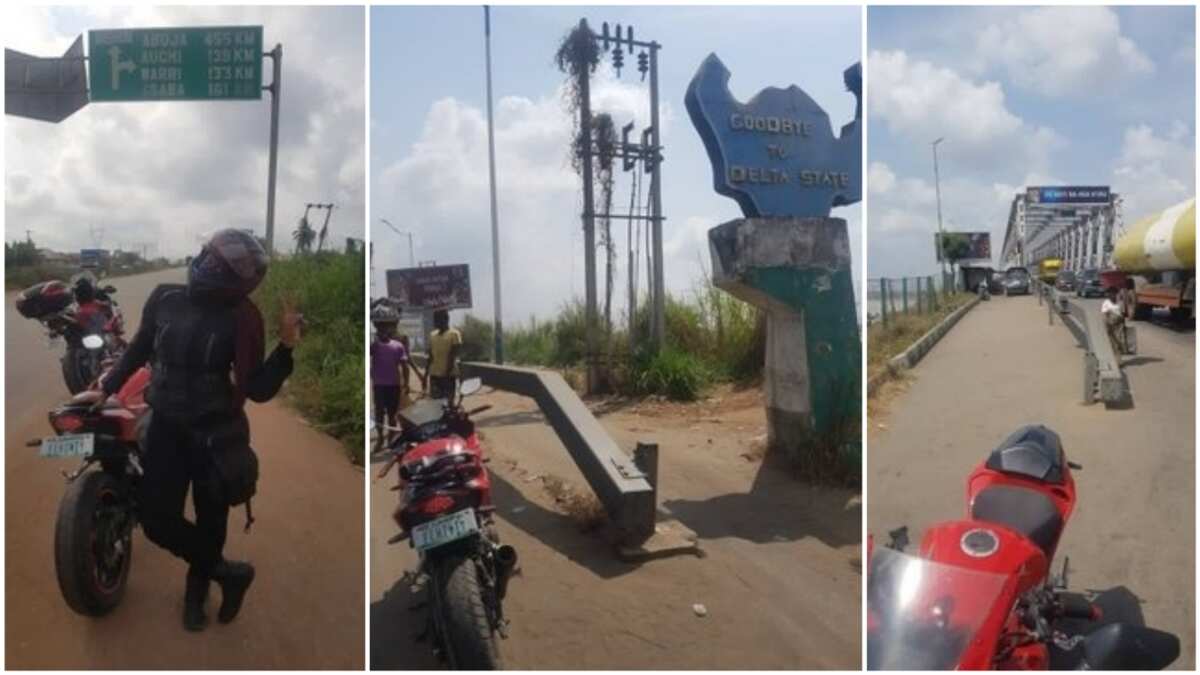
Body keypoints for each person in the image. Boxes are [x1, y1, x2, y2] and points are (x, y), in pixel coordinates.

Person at [96, 229, 303, 632]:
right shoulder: (164, 297)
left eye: (218, 268)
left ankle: (197, 590)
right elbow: (138, 348)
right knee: (157, 521)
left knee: (212, 519)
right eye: (207, 259)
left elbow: (257, 388)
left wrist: (287, 347)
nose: (206, 269)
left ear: (238, 282)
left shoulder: (243, 317)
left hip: (217, 433)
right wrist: (103, 388)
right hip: (165, 428)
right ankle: (230, 574)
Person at [370, 304, 417, 451]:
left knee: (392, 414)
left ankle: (390, 438)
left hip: (394, 385)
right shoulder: (373, 345)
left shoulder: (398, 345)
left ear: (389, 327)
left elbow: (405, 365)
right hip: (379, 385)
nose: (382, 330)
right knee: (378, 413)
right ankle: (380, 438)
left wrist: (407, 384)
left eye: (385, 327)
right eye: (379, 327)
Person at [426, 307, 462, 400]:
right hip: (434, 375)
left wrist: (446, 374)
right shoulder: (432, 335)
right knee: (435, 405)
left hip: (448, 376)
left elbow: (452, 356)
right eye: (434, 319)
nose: (435, 321)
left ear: (446, 319)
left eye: (437, 319)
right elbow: (430, 357)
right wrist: (425, 375)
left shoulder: (454, 334)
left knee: (448, 404)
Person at [1100, 287, 1126, 355]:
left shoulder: (1120, 302)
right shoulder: (1106, 303)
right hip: (1110, 324)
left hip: (1119, 324)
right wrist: (1107, 325)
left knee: (1119, 340)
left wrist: (1123, 324)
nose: (1112, 295)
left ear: (1116, 294)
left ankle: (1119, 354)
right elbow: (1105, 315)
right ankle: (1117, 360)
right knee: (1113, 342)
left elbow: (1123, 314)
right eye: (1110, 294)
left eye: (1114, 293)